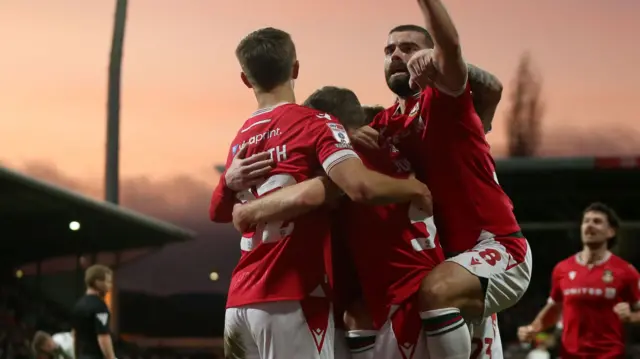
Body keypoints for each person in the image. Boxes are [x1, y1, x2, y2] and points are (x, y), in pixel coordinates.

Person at [211, 27, 433, 359]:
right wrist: (414, 187)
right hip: (292, 296)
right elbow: (357, 185)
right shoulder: (316, 123)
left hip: (239, 302)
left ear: (246, 79)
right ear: (296, 69)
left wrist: (229, 184)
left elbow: (217, 212)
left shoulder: (240, 140)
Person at [370, 0, 532, 357]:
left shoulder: (443, 98)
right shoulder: (381, 125)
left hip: (497, 246)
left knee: (435, 291)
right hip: (453, 265)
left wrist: (444, 57)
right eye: (388, 49)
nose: (396, 54)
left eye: (408, 47)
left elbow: (458, 52)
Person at [518, 202, 640, 358]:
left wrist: (631, 316)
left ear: (611, 231)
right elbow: (554, 308)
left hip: (610, 355)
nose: (589, 225)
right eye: (586, 221)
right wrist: (533, 328)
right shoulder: (562, 269)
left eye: (597, 221)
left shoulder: (626, 271)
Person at [71, 265, 115, 359]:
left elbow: (75, 334)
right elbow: (103, 336)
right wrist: (111, 357)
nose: (110, 286)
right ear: (97, 282)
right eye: (108, 282)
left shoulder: (78, 305)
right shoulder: (100, 307)